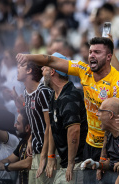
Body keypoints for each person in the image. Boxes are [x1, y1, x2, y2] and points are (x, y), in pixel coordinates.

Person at [16, 37, 119, 162]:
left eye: (97, 52)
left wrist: (104, 153)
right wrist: (28, 57)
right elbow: (51, 60)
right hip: (90, 143)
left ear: (109, 57)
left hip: (111, 145)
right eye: (90, 52)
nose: (92, 55)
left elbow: (118, 122)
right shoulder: (84, 70)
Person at [42, 52, 87, 183]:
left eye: (45, 68)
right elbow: (52, 127)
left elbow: (74, 131)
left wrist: (71, 163)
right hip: (65, 162)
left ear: (53, 71)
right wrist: (51, 156)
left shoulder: (70, 96)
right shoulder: (54, 95)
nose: (41, 70)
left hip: (77, 163)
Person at [14, 60, 52, 184]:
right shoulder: (26, 93)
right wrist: (30, 139)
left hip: (46, 153)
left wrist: (44, 157)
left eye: (21, 66)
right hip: (36, 151)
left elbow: (49, 126)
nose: (17, 68)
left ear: (29, 71)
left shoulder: (43, 92)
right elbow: (33, 122)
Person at [81, 97, 119, 183]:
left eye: (100, 111)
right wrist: (96, 165)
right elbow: (112, 163)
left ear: (110, 115)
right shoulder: (109, 135)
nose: (97, 114)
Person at [0, 108, 32, 184]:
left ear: (27, 128)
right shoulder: (23, 142)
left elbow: (28, 163)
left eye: (18, 123)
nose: (15, 126)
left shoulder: (35, 142)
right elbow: (10, 159)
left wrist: (4, 166)